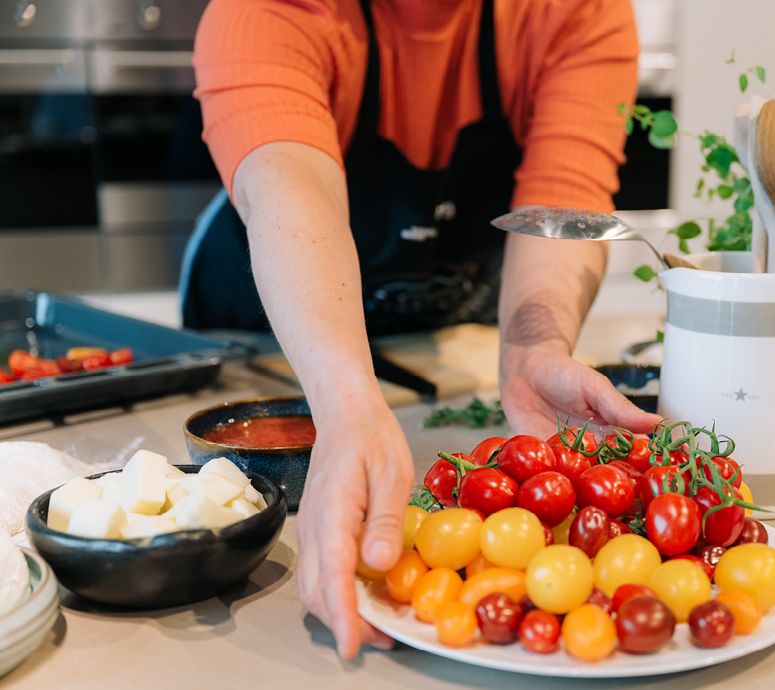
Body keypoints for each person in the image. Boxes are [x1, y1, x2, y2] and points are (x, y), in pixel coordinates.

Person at [190, 0, 659, 658]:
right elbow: (289, 187)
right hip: (273, 345)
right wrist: (345, 400)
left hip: (442, 326)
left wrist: (534, 350)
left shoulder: (577, 10)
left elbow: (563, 201)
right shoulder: (269, 8)